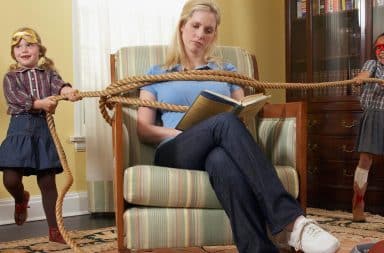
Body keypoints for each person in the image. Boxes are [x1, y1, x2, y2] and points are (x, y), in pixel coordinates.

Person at [136, 0, 340, 252]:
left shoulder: (227, 71)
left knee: (221, 159)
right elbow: (143, 129)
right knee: (224, 122)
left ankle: (258, 249)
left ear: (214, 34)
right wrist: (181, 133)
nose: (200, 35)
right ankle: (292, 222)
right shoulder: (156, 73)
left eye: (208, 30)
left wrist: (246, 111)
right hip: (174, 149)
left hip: (217, 145)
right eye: (195, 25)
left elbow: (242, 113)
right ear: (182, 26)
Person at [0, 27, 81, 244]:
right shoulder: (11, 77)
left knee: (47, 183)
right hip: (19, 130)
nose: (24, 50)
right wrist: (39, 103)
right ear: (13, 52)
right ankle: (20, 198)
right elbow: (15, 98)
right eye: (18, 47)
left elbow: (59, 86)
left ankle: (55, 229)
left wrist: (67, 92)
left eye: (29, 45)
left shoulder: (49, 75)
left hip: (43, 130)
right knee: (10, 178)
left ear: (39, 49)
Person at [351, 32, 384, 222]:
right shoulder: (372, 65)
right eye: (378, 48)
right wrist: (361, 78)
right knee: (365, 161)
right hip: (373, 114)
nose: (381, 52)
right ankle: (358, 202)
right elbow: (364, 74)